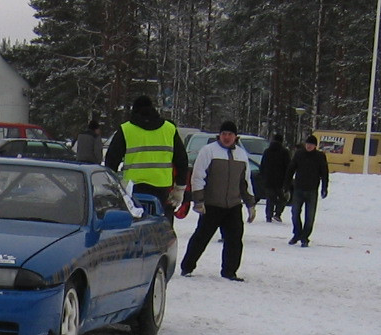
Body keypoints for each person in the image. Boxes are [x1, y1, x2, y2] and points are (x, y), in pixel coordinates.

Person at [180, 119, 257, 281]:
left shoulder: (241, 155)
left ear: (235, 137)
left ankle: (230, 271)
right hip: (211, 205)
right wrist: (198, 200)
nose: (226, 137)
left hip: (233, 206)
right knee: (201, 237)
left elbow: (245, 182)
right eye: (223, 134)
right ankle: (187, 267)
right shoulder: (208, 151)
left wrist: (250, 204)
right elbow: (198, 176)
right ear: (219, 135)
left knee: (235, 240)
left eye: (230, 134)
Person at [103, 95, 187, 210]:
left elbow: (111, 160)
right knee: (162, 223)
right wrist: (180, 187)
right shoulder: (169, 129)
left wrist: (113, 184)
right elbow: (181, 160)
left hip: (133, 187)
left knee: (135, 222)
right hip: (162, 187)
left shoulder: (126, 129)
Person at [287, 134, 330, 246]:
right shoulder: (299, 154)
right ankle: (297, 233)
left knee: (310, 216)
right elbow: (291, 169)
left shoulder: (320, 156)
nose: (309, 146)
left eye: (311, 144)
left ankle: (305, 237)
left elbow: (324, 173)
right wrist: (286, 184)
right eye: (307, 144)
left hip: (312, 190)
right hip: (298, 189)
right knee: (295, 212)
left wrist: (324, 187)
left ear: (315, 146)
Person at [256, 133, 292, 223]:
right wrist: (287, 180)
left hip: (268, 180)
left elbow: (262, 165)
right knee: (283, 198)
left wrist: (263, 176)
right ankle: (278, 214)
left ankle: (268, 216)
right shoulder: (285, 152)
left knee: (270, 199)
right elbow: (288, 167)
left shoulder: (267, 151)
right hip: (280, 180)